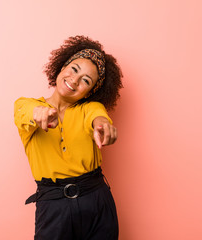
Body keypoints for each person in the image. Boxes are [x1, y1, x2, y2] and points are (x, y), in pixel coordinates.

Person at [14, 35, 123, 240]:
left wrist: (103, 125)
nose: (74, 80)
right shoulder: (25, 104)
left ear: (90, 92)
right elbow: (25, 111)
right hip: (53, 206)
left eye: (86, 81)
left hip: (97, 200)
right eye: (74, 69)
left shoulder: (90, 108)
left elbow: (98, 117)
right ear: (62, 66)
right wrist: (39, 112)